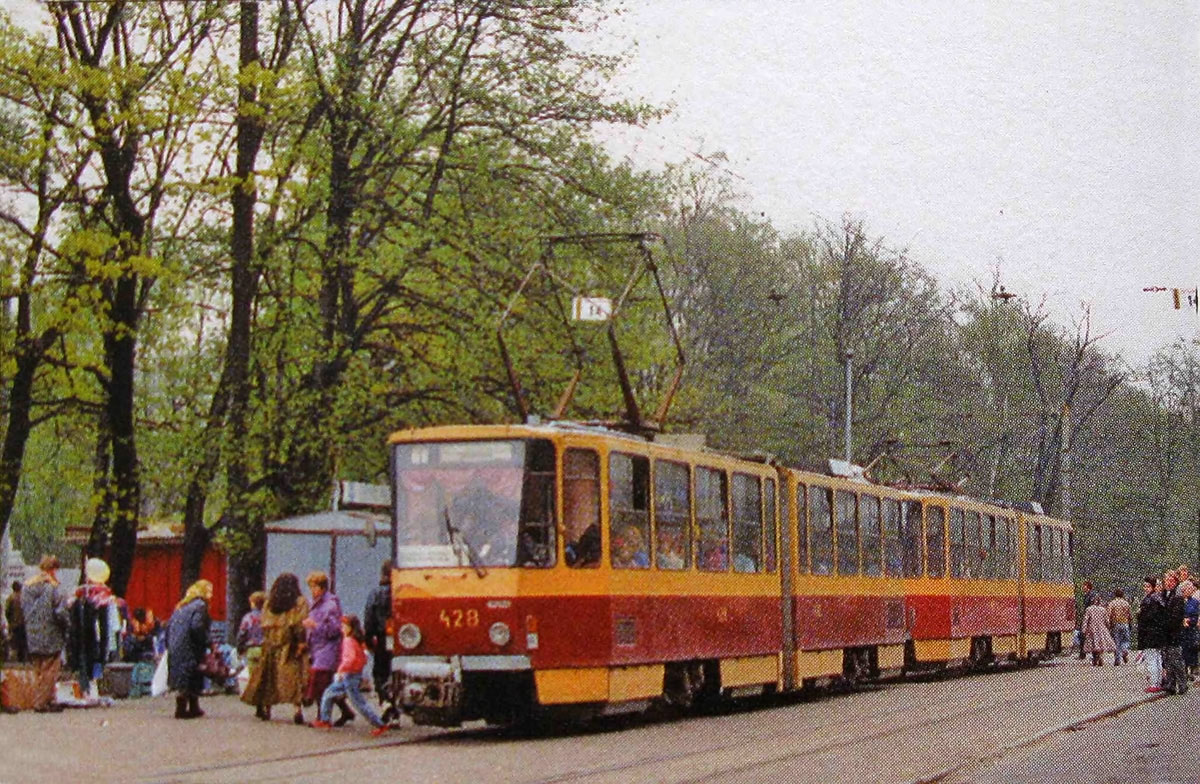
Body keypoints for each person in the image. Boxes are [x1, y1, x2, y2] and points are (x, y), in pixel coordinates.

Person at [241, 573, 310, 724]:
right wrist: (301, 642)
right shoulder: (300, 602)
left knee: (269, 677)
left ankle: (267, 708)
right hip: (289, 645)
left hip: (271, 645)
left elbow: (263, 624)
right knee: (294, 677)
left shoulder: (269, 603)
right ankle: (297, 709)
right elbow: (299, 624)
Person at [311, 614, 390, 736]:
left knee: (358, 703)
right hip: (352, 674)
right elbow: (363, 658)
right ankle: (325, 719)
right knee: (328, 693)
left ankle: (379, 724)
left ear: (350, 628)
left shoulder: (348, 641)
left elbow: (350, 659)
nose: (342, 628)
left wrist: (341, 669)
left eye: (344, 626)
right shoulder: (357, 640)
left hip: (349, 675)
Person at [302, 571, 354, 726]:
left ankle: (322, 717)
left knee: (320, 682)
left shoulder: (330, 605)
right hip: (317, 648)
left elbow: (334, 630)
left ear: (322, 587)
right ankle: (345, 711)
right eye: (310, 587)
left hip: (328, 649)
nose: (312, 590)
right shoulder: (317, 603)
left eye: (314, 587)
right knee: (327, 684)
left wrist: (314, 626)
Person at [68, 557, 123, 699]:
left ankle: (87, 688)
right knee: (96, 660)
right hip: (97, 637)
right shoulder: (106, 598)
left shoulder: (78, 597)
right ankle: (93, 686)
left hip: (83, 636)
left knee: (85, 660)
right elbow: (113, 625)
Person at [21, 555, 70, 711]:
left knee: (38, 670)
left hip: (32, 634)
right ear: (53, 569)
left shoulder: (27, 586)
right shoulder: (54, 587)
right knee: (51, 670)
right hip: (51, 634)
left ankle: (48, 699)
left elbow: (23, 610)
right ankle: (41, 702)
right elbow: (60, 612)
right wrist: (67, 625)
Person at [166, 579, 213, 719]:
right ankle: (184, 709)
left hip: (176, 645)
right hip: (190, 645)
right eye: (209, 591)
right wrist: (207, 641)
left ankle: (192, 707)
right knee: (193, 675)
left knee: (186, 676)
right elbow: (197, 626)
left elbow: (169, 627)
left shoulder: (182, 606)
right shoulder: (200, 606)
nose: (211, 595)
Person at [363, 560, 393, 712]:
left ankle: (386, 702)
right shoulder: (404, 591)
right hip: (403, 637)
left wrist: (368, 639)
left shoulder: (376, 593)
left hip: (382, 637)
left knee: (380, 671)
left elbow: (369, 617)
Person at [1160, 571, 1188, 695]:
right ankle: (1170, 684)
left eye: (1171, 581)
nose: (1168, 583)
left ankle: (1182, 684)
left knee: (1176, 659)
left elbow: (1176, 616)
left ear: (1175, 582)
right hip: (1166, 632)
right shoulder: (1166, 594)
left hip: (1174, 632)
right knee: (1168, 659)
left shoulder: (1177, 596)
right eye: (1167, 580)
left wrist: (1167, 624)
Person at [1137, 576, 1166, 693]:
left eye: (1148, 586)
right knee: (1157, 658)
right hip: (1157, 633)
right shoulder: (1159, 598)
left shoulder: (1149, 600)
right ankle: (1158, 682)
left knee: (1152, 659)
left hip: (1150, 633)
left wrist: (1140, 614)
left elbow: (1148, 617)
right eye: (1145, 586)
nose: (1145, 588)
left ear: (1153, 587)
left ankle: (1154, 683)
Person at [237, 591, 267, 680]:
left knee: (253, 678)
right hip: (265, 649)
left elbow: (242, 634)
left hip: (252, 649)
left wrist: (240, 649)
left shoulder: (248, 617)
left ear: (253, 604)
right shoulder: (267, 617)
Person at [1081, 594, 1115, 666]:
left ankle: (1095, 658)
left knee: (1093, 643)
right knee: (1101, 643)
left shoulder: (1089, 609)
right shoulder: (1103, 609)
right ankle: (1100, 657)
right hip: (1101, 628)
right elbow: (1106, 620)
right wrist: (1109, 627)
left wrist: (1084, 629)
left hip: (1092, 628)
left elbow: (1085, 620)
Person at [1106, 589, 1132, 665]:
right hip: (1125, 623)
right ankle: (1124, 650)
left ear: (1115, 595)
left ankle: (1117, 660)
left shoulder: (1112, 603)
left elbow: (1108, 614)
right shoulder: (1126, 603)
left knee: (1116, 642)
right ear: (1123, 595)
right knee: (1125, 640)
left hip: (1115, 624)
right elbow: (1130, 615)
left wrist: (1108, 624)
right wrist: (1130, 622)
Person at [5, 581, 27, 662]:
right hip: (23, 623)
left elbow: (7, 612)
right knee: (23, 643)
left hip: (14, 624)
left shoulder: (10, 598)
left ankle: (14, 660)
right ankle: (23, 660)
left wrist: (10, 621)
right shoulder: (24, 598)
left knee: (14, 643)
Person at [1077, 580, 1096, 659]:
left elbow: (1091, 607)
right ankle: (1083, 653)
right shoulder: (1087, 595)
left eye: (1084, 586)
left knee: (1089, 635)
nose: (1082, 587)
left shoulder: (1091, 595)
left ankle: (1093, 654)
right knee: (1082, 635)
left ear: (1088, 586)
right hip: (1087, 617)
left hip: (1090, 618)